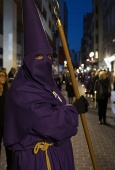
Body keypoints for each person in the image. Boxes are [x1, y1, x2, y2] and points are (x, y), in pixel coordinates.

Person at [4, 0, 88, 170]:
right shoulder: (21, 91)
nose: (45, 62)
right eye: (38, 57)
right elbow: (48, 123)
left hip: (57, 156)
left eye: (48, 57)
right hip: (37, 161)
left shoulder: (48, 85)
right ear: (27, 62)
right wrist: (74, 110)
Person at [0, 70, 13, 170]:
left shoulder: (8, 91)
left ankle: (10, 167)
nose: (3, 78)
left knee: (9, 148)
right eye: (1, 76)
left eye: (4, 76)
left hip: (6, 123)